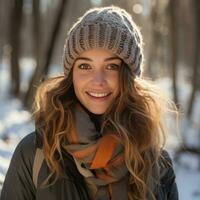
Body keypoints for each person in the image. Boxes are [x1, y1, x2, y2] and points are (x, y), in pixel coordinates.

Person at [1, 6, 179, 200]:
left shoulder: (158, 165)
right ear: (71, 75)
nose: (98, 80)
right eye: (85, 66)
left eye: (112, 66)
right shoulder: (34, 154)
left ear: (129, 76)